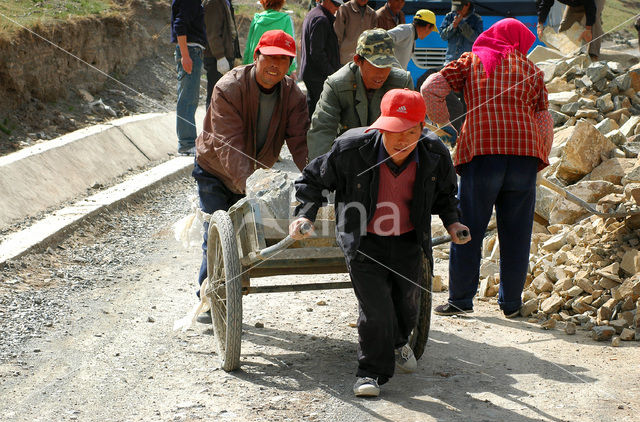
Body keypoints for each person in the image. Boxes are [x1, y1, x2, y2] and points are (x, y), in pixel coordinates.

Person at [289, 89, 469, 397]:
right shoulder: (351, 149)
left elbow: (446, 196)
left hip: (408, 239)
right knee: (376, 309)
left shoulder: (434, 153)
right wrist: (305, 215)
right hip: (364, 239)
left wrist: (453, 222)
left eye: (410, 132)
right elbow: (313, 180)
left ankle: (398, 342)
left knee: (407, 307)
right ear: (381, 127)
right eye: (393, 132)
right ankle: (369, 373)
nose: (401, 140)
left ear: (422, 128)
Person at [421, 18, 554, 318]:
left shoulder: (471, 60)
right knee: (517, 233)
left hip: (482, 153)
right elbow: (544, 119)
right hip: (524, 157)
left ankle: (460, 300)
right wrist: (539, 158)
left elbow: (431, 88)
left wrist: (447, 127)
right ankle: (511, 304)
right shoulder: (532, 71)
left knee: (468, 225)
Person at [193, 30, 309, 306]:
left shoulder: (293, 95)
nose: (276, 65)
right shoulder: (228, 87)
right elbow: (227, 144)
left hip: (253, 176)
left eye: (284, 59)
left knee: (245, 236)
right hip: (215, 171)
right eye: (270, 57)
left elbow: (301, 142)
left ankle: (232, 287)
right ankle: (210, 297)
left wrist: (315, 180)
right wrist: (250, 187)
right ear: (256, 56)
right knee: (218, 235)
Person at [307, 29, 414, 160]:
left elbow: (409, 130)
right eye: (376, 65)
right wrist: (320, 171)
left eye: (387, 65)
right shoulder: (336, 84)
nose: (381, 73)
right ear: (358, 60)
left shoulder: (402, 83)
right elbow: (322, 130)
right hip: (348, 154)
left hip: (387, 156)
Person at [438, 0, 483, 141]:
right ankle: (446, 130)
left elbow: (477, 39)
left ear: (467, 5)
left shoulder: (476, 20)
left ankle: (464, 133)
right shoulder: (450, 16)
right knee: (447, 99)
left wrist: (462, 25)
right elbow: (443, 35)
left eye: (459, 8)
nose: (456, 11)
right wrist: (453, 25)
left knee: (466, 100)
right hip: (450, 62)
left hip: (467, 65)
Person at [171, 0, 207, 156]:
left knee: (189, 97)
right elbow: (179, 25)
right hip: (190, 50)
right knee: (187, 98)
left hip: (191, 50)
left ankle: (187, 142)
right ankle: (186, 144)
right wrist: (185, 56)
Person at [300, 0, 343, 119]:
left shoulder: (314, 14)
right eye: (336, 4)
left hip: (313, 75)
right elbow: (317, 53)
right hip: (318, 77)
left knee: (312, 112)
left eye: (339, 5)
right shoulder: (321, 19)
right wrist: (333, 75)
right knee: (319, 115)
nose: (338, 8)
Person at [202, 0, 242, 109]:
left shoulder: (224, 2)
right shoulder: (214, 2)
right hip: (216, 58)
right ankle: (211, 126)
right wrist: (220, 56)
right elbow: (213, 33)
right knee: (215, 97)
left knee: (222, 98)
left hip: (223, 56)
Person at [536, 0, 605, 61]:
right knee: (565, 27)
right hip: (575, 2)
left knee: (593, 19)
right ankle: (564, 55)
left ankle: (593, 54)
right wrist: (540, 24)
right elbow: (546, 4)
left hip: (593, 1)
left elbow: (590, 6)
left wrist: (588, 29)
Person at [243, 0, 297, 75]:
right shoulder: (286, 19)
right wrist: (292, 68)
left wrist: (245, 65)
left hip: (255, 67)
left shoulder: (257, 19)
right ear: (281, 3)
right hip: (277, 68)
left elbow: (249, 46)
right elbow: (290, 45)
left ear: (263, 2)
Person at [334, 0, 378, 65]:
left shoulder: (372, 14)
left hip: (363, 61)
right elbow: (337, 36)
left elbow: (373, 40)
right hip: (344, 60)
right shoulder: (344, 9)